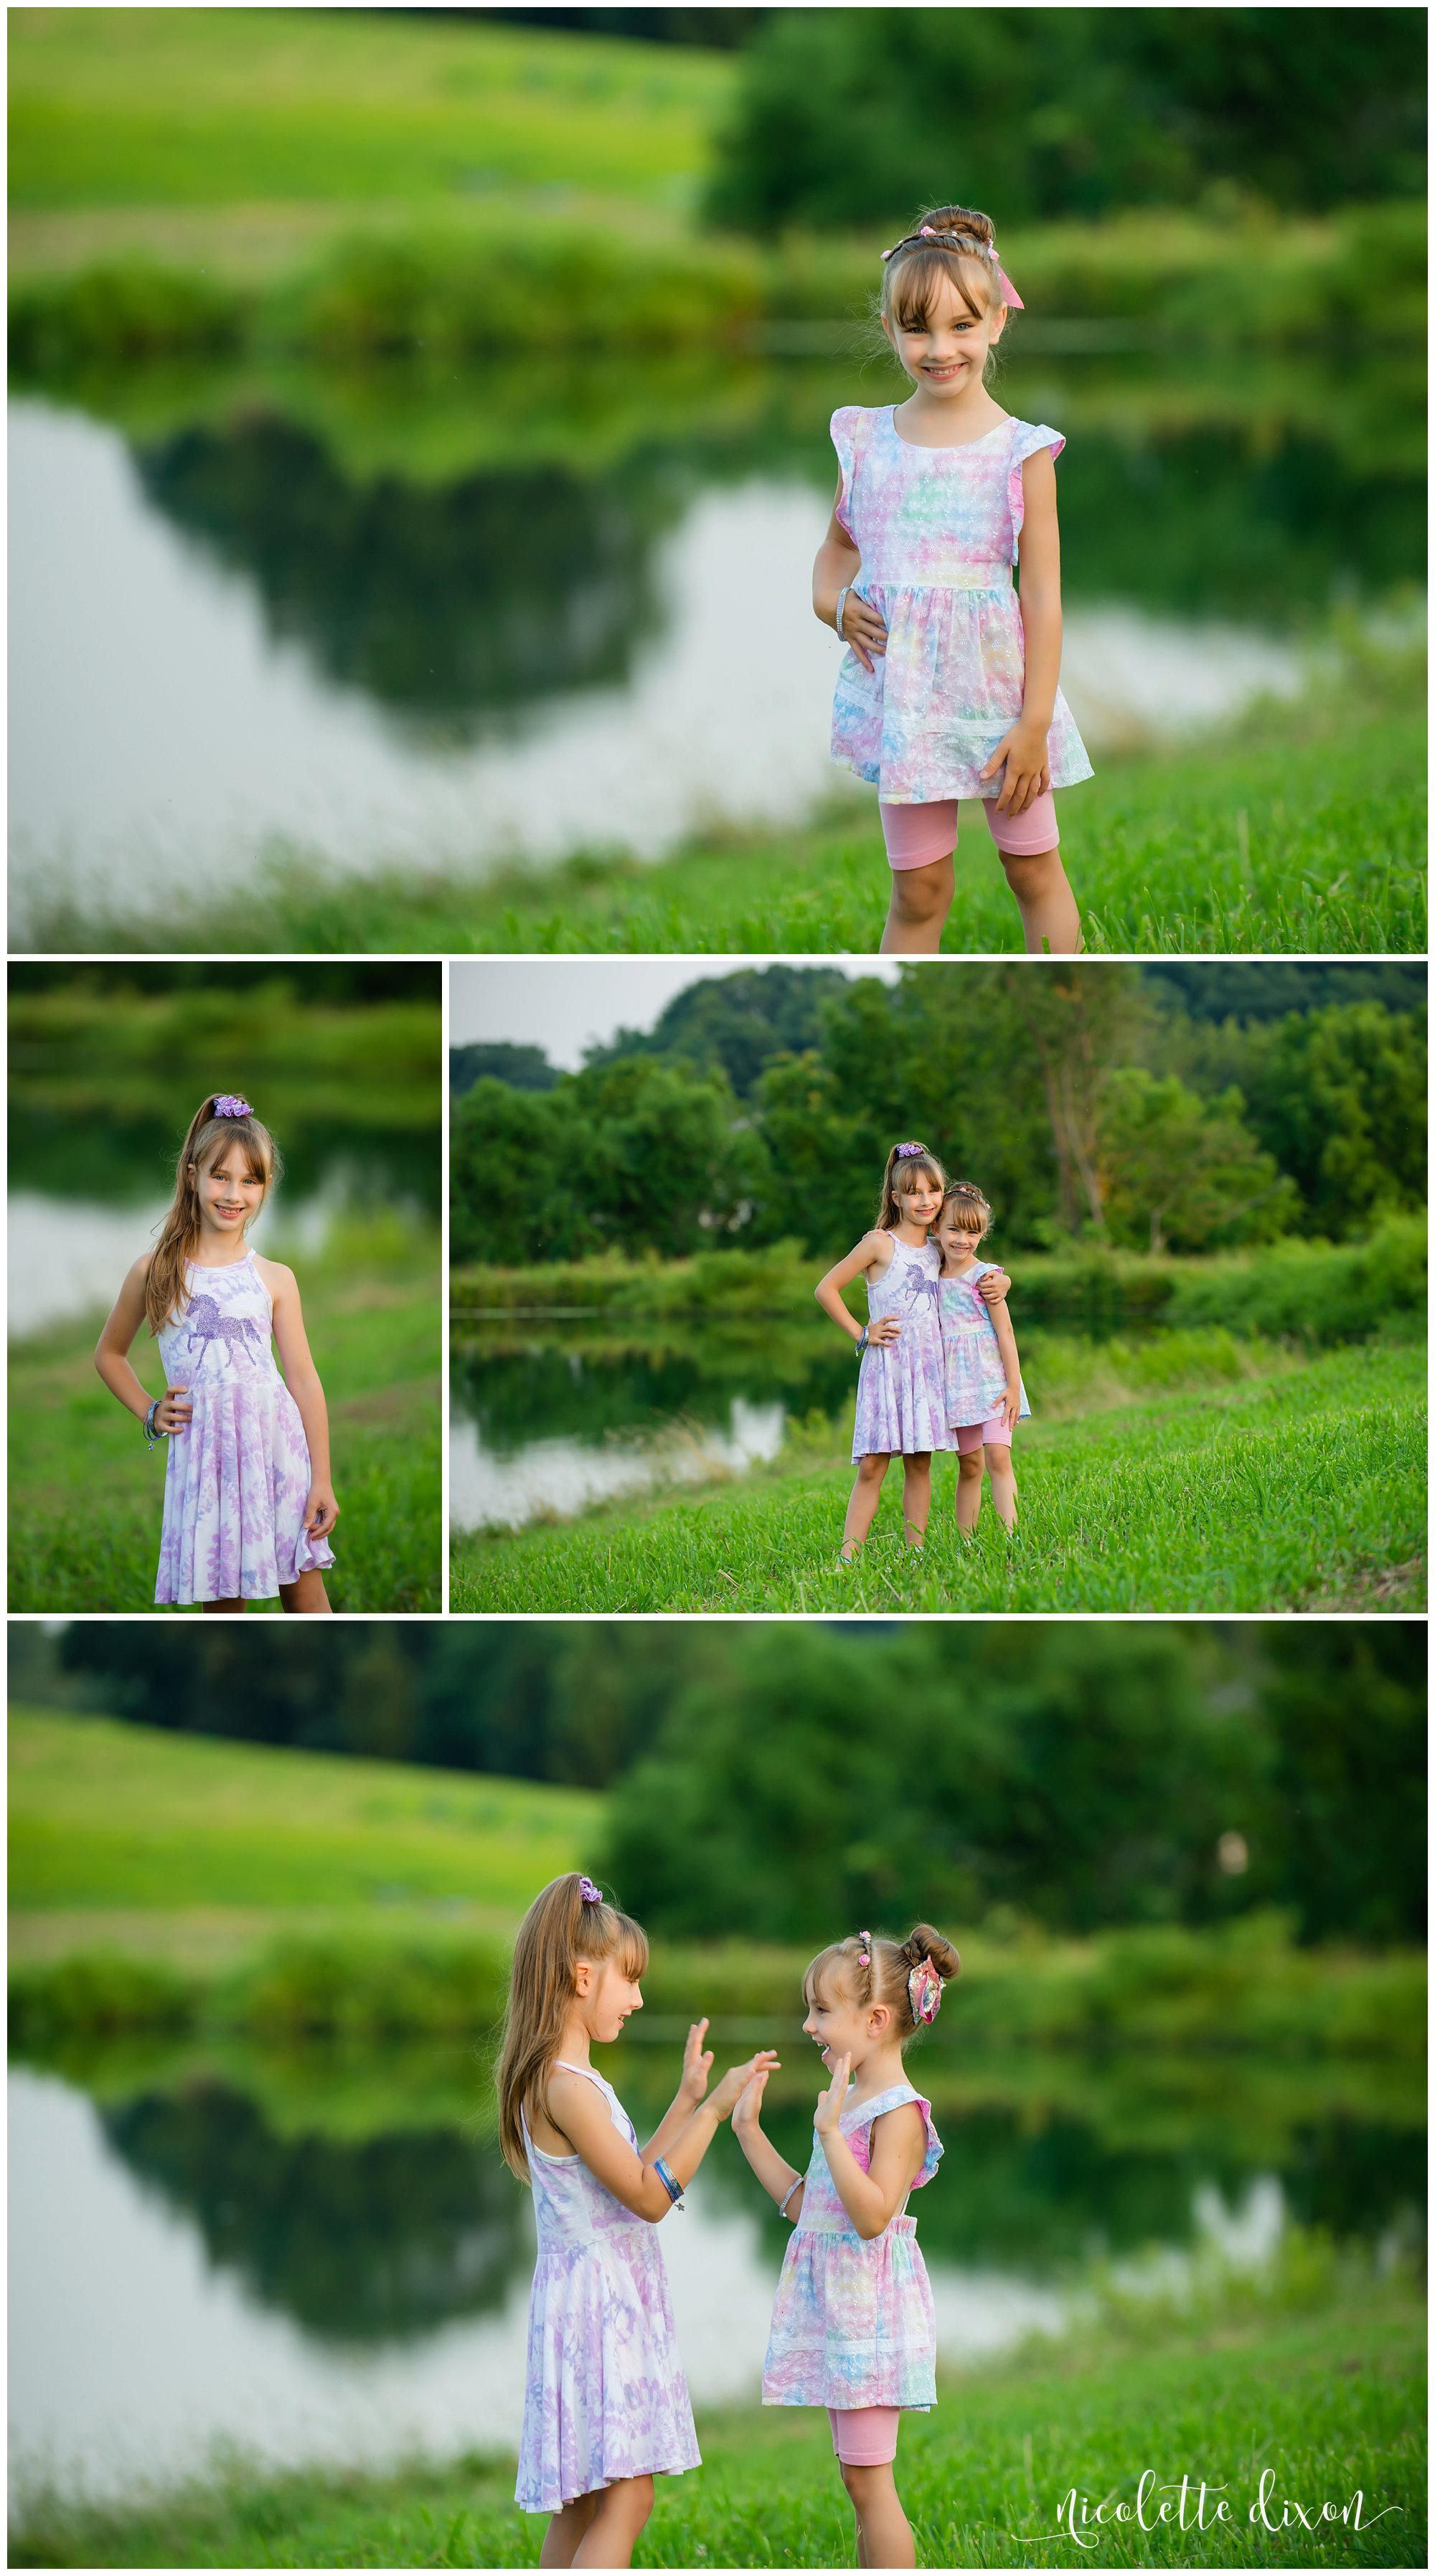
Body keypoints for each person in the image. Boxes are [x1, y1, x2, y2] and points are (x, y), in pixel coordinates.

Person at [813, 202, 1093, 957]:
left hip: (1002, 702)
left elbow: (1041, 596)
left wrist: (1033, 724)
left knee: (1031, 869)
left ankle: (1059, 996)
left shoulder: (1020, 453)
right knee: (918, 891)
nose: (939, 349)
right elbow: (838, 548)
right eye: (916, 329)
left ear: (997, 321)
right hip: (905, 704)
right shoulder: (866, 441)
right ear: (888, 330)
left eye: (961, 327)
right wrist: (829, 604)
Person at [497, 1871, 779, 2570]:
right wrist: (715, 2113)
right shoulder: (568, 2087)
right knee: (628, 2500)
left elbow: (626, 2183)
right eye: (629, 1981)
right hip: (601, 2308)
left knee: (585, 2506)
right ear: (580, 1977)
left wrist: (683, 2102)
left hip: (587, 2300)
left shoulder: (564, 2082)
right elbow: (650, 2199)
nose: (639, 1998)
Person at [732, 1924, 960, 2570]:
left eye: (822, 2010)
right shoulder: (851, 2097)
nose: (809, 2025)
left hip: (871, 2318)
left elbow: (871, 2217)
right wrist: (749, 2131)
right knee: (857, 2482)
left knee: (871, 2484)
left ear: (877, 2019)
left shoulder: (899, 2111)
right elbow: (813, 2210)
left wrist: (831, 2132)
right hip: (840, 2316)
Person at [93, 1093, 337, 1611]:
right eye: (220, 1176)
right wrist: (151, 1411)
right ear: (191, 1175)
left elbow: (304, 1381)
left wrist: (322, 1478)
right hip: (207, 1461)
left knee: (305, 1591)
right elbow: (109, 1354)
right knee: (223, 1604)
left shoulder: (275, 1278)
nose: (233, 1193)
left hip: (276, 1452)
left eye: (249, 1180)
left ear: (265, 1187)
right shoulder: (155, 1271)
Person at [814, 1141, 1009, 1563]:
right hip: (888, 1368)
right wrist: (861, 1332)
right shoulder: (879, 1244)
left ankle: (915, 1553)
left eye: (934, 1190)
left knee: (919, 1464)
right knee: (872, 1466)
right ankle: (848, 1558)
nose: (926, 1200)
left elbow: (975, 1267)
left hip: (928, 1370)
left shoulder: (940, 1247)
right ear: (895, 1197)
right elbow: (825, 1289)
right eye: (915, 1192)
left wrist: (1003, 1282)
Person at [935, 1181, 1030, 1534]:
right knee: (970, 1466)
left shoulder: (985, 1276)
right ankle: (967, 1540)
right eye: (954, 1230)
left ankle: (1011, 1534)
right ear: (937, 1229)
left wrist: (1014, 1386)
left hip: (994, 1383)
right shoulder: (934, 1270)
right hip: (958, 1386)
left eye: (972, 1232)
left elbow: (1005, 1333)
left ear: (983, 1234)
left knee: (998, 1457)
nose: (962, 1239)